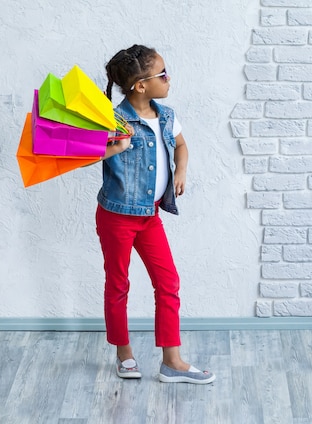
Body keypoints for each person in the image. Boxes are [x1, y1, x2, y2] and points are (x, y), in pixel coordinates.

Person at [95, 44, 215, 384]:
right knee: (118, 284)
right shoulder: (114, 121)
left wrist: (181, 171)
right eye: (162, 74)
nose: (168, 78)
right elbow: (86, 155)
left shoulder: (166, 115)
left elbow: (180, 145)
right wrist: (116, 145)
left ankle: (171, 362)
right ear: (141, 85)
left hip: (149, 217)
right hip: (116, 215)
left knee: (168, 283)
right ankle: (124, 354)